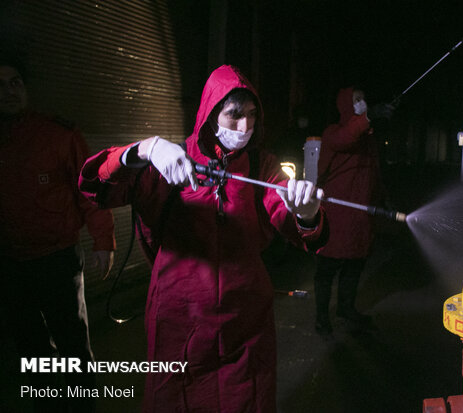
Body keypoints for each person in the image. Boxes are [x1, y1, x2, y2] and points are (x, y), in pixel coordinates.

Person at [78, 65, 326, 412]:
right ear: (210, 113)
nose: (245, 128)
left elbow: (289, 217)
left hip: (246, 324)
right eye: (234, 115)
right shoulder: (170, 161)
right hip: (180, 324)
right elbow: (96, 188)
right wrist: (142, 151)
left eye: (252, 115)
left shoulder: (260, 165)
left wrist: (306, 211)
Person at [0, 57, 116, 412]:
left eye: (15, 82)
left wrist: (103, 242)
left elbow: (90, 192)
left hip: (57, 260)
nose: (8, 92)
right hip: (10, 263)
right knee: (31, 347)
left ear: (26, 87)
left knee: (72, 346)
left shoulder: (58, 135)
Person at [314, 87, 387, 336]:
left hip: (361, 218)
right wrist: (368, 117)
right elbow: (346, 138)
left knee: (354, 266)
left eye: (363, 98)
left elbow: (374, 174)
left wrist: (381, 201)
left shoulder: (368, 138)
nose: (362, 103)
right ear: (345, 105)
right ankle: (322, 318)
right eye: (356, 100)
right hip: (337, 216)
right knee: (327, 269)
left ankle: (346, 308)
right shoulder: (334, 133)